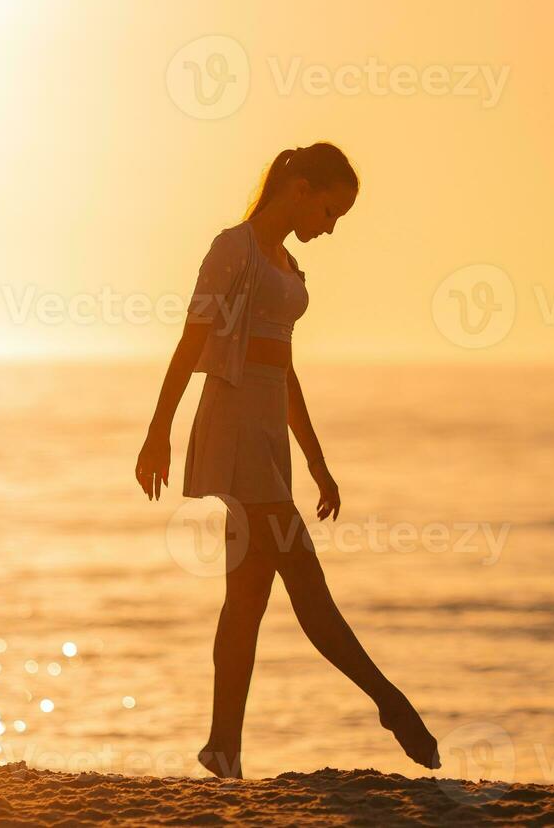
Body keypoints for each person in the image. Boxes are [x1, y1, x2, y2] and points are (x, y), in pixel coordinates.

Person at [135, 142, 440, 779]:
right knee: (304, 576)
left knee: (245, 600)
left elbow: (286, 368)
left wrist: (318, 462)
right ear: (300, 188)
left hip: (269, 431)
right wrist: (158, 430)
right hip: (236, 423)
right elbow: (193, 340)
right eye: (331, 211)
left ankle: (222, 749)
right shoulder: (234, 251)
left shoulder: (287, 266)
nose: (330, 227)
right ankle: (391, 703)